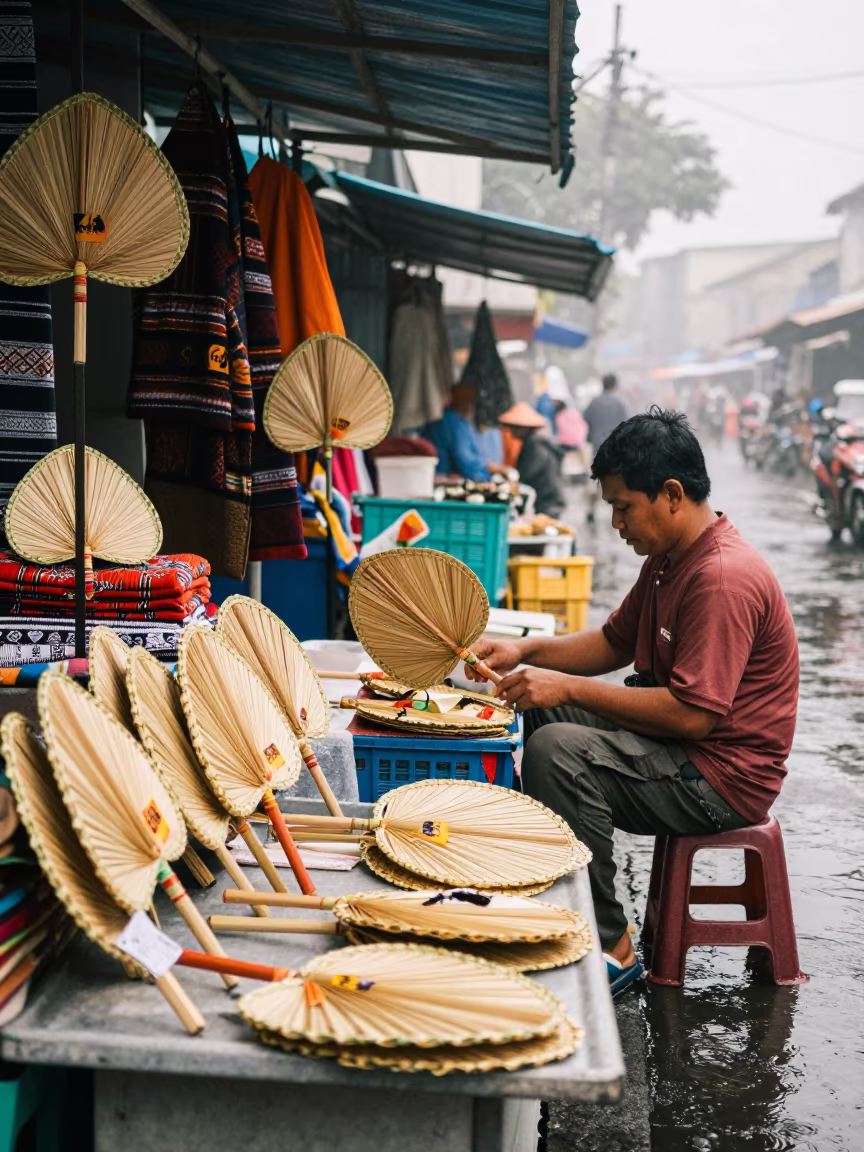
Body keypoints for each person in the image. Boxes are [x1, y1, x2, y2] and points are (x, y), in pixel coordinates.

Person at [465, 409, 799, 996]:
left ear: (671, 495)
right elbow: (614, 642)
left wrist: (565, 685)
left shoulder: (722, 577)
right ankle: (554, 886)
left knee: (558, 750)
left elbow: (695, 716)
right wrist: (526, 652)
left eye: (624, 506)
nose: (616, 521)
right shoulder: (670, 560)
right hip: (684, 747)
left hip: (722, 776)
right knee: (536, 706)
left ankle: (613, 947)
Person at [498, 402, 566, 518]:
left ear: (524, 428)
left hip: (546, 500)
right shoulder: (535, 442)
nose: (511, 431)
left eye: (514, 427)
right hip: (549, 498)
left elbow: (527, 473)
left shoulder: (535, 445)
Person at [421, 384, 498, 483]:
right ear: (469, 406)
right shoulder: (454, 423)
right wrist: (486, 474)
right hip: (441, 478)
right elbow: (464, 459)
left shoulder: (443, 418)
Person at [583, 375, 628, 522]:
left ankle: (591, 510)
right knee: (613, 480)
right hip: (614, 449)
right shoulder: (619, 404)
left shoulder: (594, 403)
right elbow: (624, 427)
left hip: (597, 448)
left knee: (595, 479)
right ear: (615, 386)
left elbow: (586, 420)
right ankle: (616, 511)